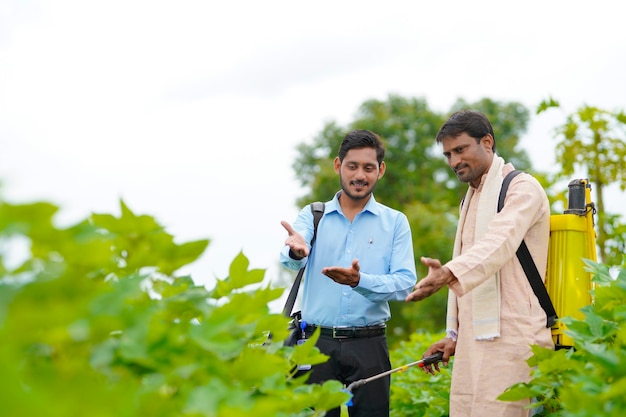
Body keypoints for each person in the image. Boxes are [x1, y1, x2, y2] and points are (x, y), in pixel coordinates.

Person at [405, 110, 554, 417]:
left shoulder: (522, 188)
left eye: (460, 150)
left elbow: (498, 243)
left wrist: (448, 273)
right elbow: (471, 265)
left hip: (513, 335)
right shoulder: (470, 198)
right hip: (473, 341)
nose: (454, 161)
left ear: (487, 142)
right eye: (448, 154)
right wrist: (453, 335)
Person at [280, 129, 417, 417]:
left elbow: (405, 284)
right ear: (337, 165)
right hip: (315, 344)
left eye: (368, 168)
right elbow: (292, 257)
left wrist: (360, 281)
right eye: (352, 166)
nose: (359, 175)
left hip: (369, 344)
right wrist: (297, 251)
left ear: (380, 170)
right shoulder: (314, 215)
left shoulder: (395, 222)